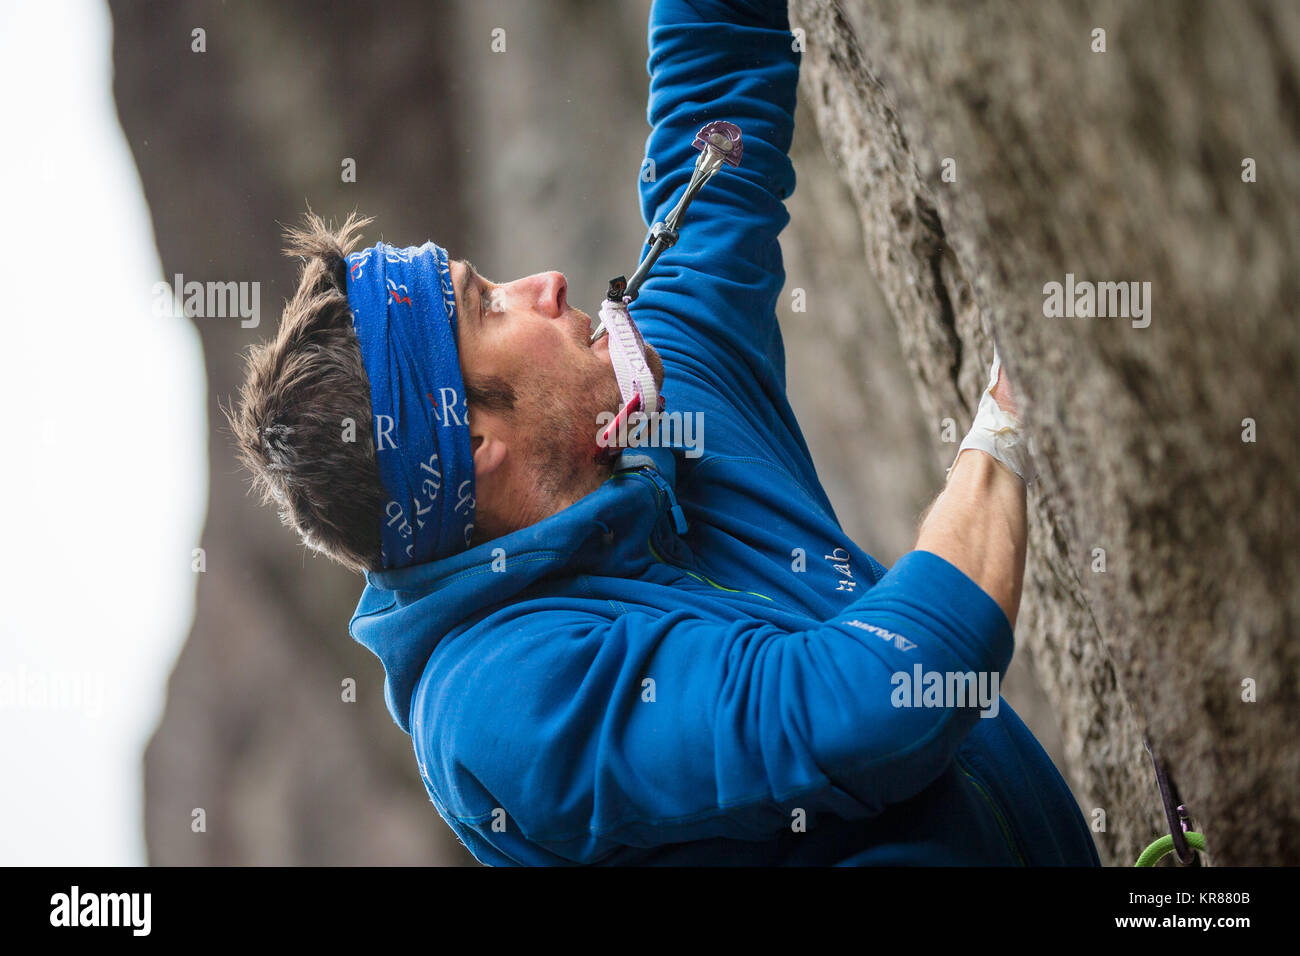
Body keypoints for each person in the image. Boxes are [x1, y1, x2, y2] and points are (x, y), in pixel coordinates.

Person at [230, 0, 1100, 865]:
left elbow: (714, 97)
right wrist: (1011, 409)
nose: (545, 282)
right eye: (487, 305)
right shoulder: (503, 704)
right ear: (474, 442)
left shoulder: (657, 410)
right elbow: (872, 705)